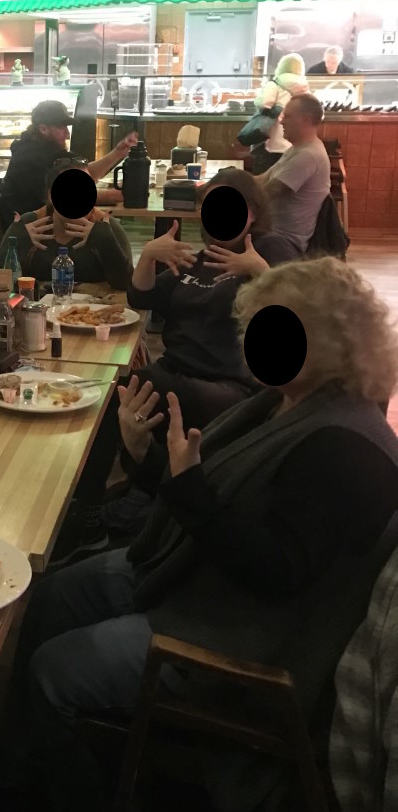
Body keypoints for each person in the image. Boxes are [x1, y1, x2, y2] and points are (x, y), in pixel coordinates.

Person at [10, 256, 398, 812]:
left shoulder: (347, 449)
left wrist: (185, 485)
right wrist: (145, 460)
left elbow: (277, 573)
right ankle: (28, 770)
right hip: (195, 575)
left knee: (56, 671)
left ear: (335, 345)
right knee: (52, 594)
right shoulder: (286, 403)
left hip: (243, 636)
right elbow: (209, 505)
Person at [67, 168, 299, 548]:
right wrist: (148, 257)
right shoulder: (202, 257)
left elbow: (299, 310)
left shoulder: (270, 248)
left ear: (253, 212)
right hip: (175, 370)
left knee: (130, 389)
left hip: (232, 384)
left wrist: (258, 272)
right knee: (119, 390)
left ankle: (102, 511)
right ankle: (125, 500)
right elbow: (141, 298)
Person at [0, 156, 132, 289]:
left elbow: (127, 286)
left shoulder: (106, 227)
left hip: (96, 305)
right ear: (51, 195)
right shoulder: (29, 226)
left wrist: (107, 244)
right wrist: (16, 243)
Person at [0, 100, 136, 218]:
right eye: (61, 127)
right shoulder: (33, 157)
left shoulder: (42, 148)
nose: (67, 133)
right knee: (105, 228)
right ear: (43, 129)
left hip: (43, 220)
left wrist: (118, 152)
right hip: (34, 229)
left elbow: (85, 172)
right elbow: (69, 196)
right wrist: (113, 195)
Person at [261, 93, 331, 253]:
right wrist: (229, 181)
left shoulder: (308, 156)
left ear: (305, 119)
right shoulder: (297, 149)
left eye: (287, 116)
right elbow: (262, 179)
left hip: (281, 242)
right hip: (270, 233)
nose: (281, 121)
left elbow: (265, 194)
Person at [246, 53, 309, 175]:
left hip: (272, 142)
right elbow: (313, 109)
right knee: (286, 178)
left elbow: (263, 103)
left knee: (265, 178)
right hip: (293, 144)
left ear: (282, 66)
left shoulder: (275, 83)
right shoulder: (304, 87)